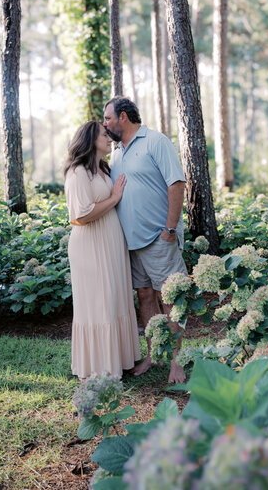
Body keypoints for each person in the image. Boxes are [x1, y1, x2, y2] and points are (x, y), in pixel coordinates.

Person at [104, 97, 188, 384]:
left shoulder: (155, 141)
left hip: (158, 237)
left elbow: (176, 183)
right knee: (145, 296)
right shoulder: (116, 152)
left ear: (123, 117)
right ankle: (153, 354)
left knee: (170, 298)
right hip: (130, 243)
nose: (105, 124)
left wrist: (170, 229)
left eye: (108, 118)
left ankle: (177, 362)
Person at [64, 121, 141, 380]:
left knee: (115, 298)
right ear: (90, 139)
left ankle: (118, 360)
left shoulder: (102, 170)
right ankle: (99, 366)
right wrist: (114, 199)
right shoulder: (78, 173)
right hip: (90, 245)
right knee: (99, 303)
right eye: (103, 134)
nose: (109, 138)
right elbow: (82, 215)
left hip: (110, 242)